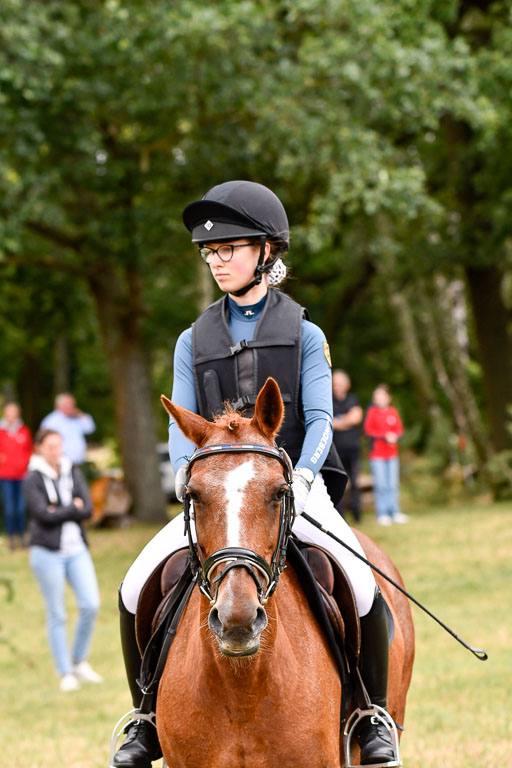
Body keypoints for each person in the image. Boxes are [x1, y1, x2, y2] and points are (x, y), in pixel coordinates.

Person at [111, 181, 398, 768]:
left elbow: (319, 419)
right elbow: (180, 422)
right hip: (218, 493)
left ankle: (372, 716)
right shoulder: (192, 340)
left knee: (362, 584)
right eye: (209, 253)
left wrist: (303, 476)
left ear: (266, 251)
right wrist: (191, 477)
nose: (217, 261)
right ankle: (145, 717)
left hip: (292, 487)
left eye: (229, 249)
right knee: (135, 583)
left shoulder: (306, 335)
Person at [23, 428, 102, 692]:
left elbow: (88, 509)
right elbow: (42, 515)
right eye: (50, 447)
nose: (55, 452)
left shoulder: (73, 470)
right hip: (47, 552)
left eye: (58, 446)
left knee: (90, 605)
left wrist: (61, 510)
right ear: (40, 449)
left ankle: (78, 660)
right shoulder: (32, 478)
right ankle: (64, 671)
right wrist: (73, 508)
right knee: (56, 612)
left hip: (76, 549)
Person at [363, 385, 408, 526]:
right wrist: (384, 436)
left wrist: (395, 436)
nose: (379, 399)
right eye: (377, 396)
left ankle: (394, 511)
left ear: (388, 398)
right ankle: (382, 513)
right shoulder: (372, 412)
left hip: (392, 454)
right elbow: (368, 430)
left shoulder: (393, 412)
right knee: (381, 484)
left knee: (392, 484)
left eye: (382, 396)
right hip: (377, 455)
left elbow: (399, 429)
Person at [0, 402, 33, 550]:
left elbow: (29, 451)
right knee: (9, 508)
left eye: (14, 412)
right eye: (9, 412)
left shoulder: (24, 431)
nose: (12, 415)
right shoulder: (1, 432)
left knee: (21, 507)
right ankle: (11, 537)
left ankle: (23, 535)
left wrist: (26, 464)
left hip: (22, 475)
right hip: (6, 476)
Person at [332, 370, 363, 522]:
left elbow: (356, 418)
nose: (337, 386)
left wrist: (338, 421)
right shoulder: (328, 401)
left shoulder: (352, 399)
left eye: (340, 383)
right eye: (335, 383)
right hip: (336, 451)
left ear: (347, 384)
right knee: (339, 485)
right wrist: (346, 420)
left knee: (355, 483)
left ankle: (358, 515)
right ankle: (340, 517)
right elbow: (328, 422)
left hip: (353, 449)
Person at [40, 393, 96, 465]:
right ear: (60, 405)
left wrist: (80, 415)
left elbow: (90, 429)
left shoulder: (76, 418)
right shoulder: (50, 422)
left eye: (73, 404)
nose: (73, 407)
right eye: (70, 404)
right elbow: (45, 443)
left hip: (78, 463)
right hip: (60, 463)